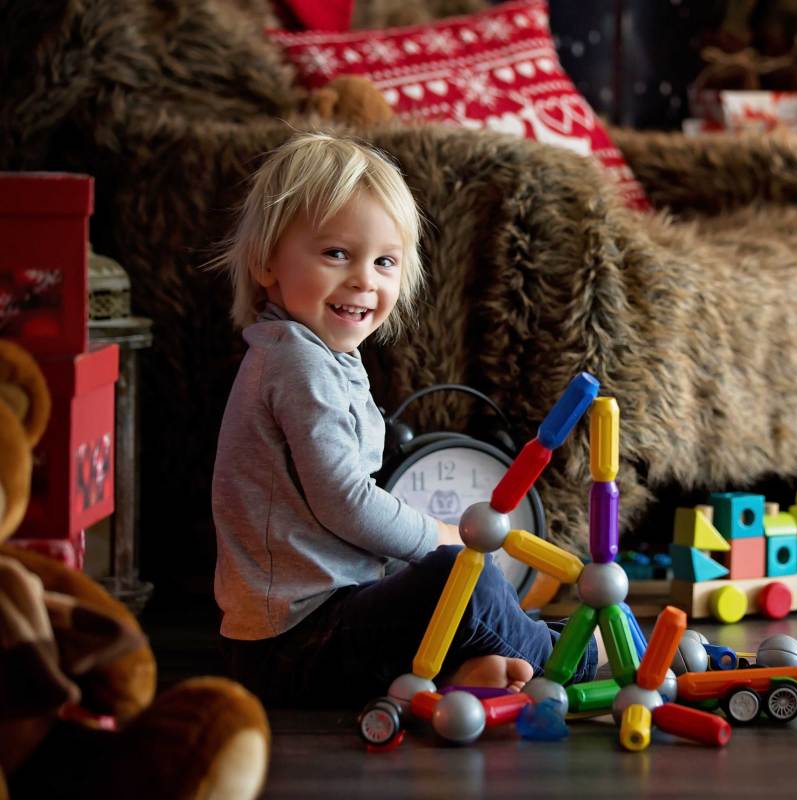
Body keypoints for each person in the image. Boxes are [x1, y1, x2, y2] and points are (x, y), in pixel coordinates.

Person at [209, 131, 597, 707]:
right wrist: (436, 536)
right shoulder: (295, 363)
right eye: (336, 254)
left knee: (455, 586)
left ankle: (478, 668)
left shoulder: (323, 357)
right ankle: (577, 661)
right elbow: (343, 500)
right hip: (294, 644)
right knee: (456, 577)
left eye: (384, 261)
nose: (364, 278)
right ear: (267, 261)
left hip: (318, 626)